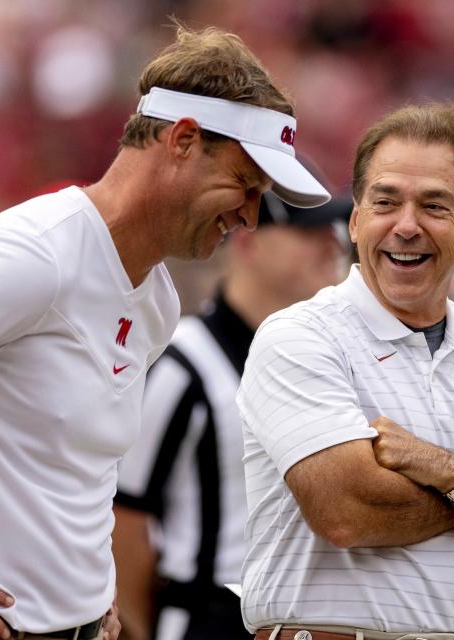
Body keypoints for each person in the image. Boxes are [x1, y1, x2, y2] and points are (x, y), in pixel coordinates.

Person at [0, 24, 330, 640]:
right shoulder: (37, 255)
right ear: (183, 140)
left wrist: (91, 590)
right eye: (245, 183)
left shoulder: (154, 297)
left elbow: (81, 471)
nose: (250, 216)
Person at [236, 102, 454, 639]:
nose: (406, 225)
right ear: (355, 220)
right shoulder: (299, 336)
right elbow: (348, 513)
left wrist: (443, 467)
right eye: (385, 201)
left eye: (434, 206)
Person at [111, 181, 351, 640]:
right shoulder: (184, 362)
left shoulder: (332, 364)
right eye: (309, 231)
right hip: (208, 617)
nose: (331, 243)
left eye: (333, 229)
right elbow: (126, 515)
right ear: (246, 241)